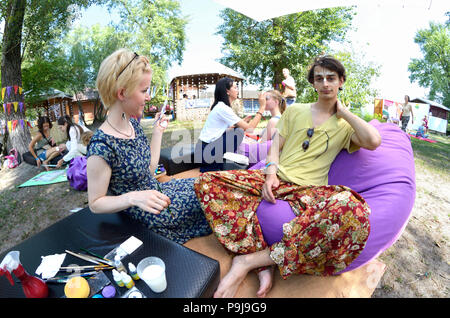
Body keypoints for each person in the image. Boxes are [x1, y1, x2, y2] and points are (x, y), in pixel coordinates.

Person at [194, 55, 382, 298]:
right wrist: (270, 172)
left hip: (309, 191)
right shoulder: (295, 111)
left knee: (354, 211)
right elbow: (275, 146)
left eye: (331, 78)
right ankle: (261, 263)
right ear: (313, 83)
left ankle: (250, 261)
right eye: (319, 78)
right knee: (206, 182)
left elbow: (374, 141)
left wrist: (343, 111)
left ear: (341, 81)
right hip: (276, 177)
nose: (325, 84)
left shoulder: (346, 125)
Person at [86, 49, 211, 244]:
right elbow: (95, 203)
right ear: (122, 93)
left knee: (207, 182)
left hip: (157, 191)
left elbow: (150, 169)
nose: (148, 97)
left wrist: (158, 131)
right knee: (211, 197)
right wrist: (133, 198)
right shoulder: (101, 147)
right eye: (144, 91)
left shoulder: (132, 124)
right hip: (146, 212)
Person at [195, 77, 266, 172]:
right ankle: (213, 166)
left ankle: (218, 163)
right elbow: (250, 129)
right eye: (235, 87)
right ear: (227, 91)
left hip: (203, 150)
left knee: (237, 130)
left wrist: (241, 122)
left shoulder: (220, 106)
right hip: (206, 153)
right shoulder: (223, 108)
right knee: (238, 132)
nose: (237, 90)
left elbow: (224, 129)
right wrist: (262, 107)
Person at [237, 90, 287, 166]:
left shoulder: (273, 121)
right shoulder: (278, 118)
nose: (263, 101)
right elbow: (258, 134)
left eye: (266, 99)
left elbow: (262, 144)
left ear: (276, 102)